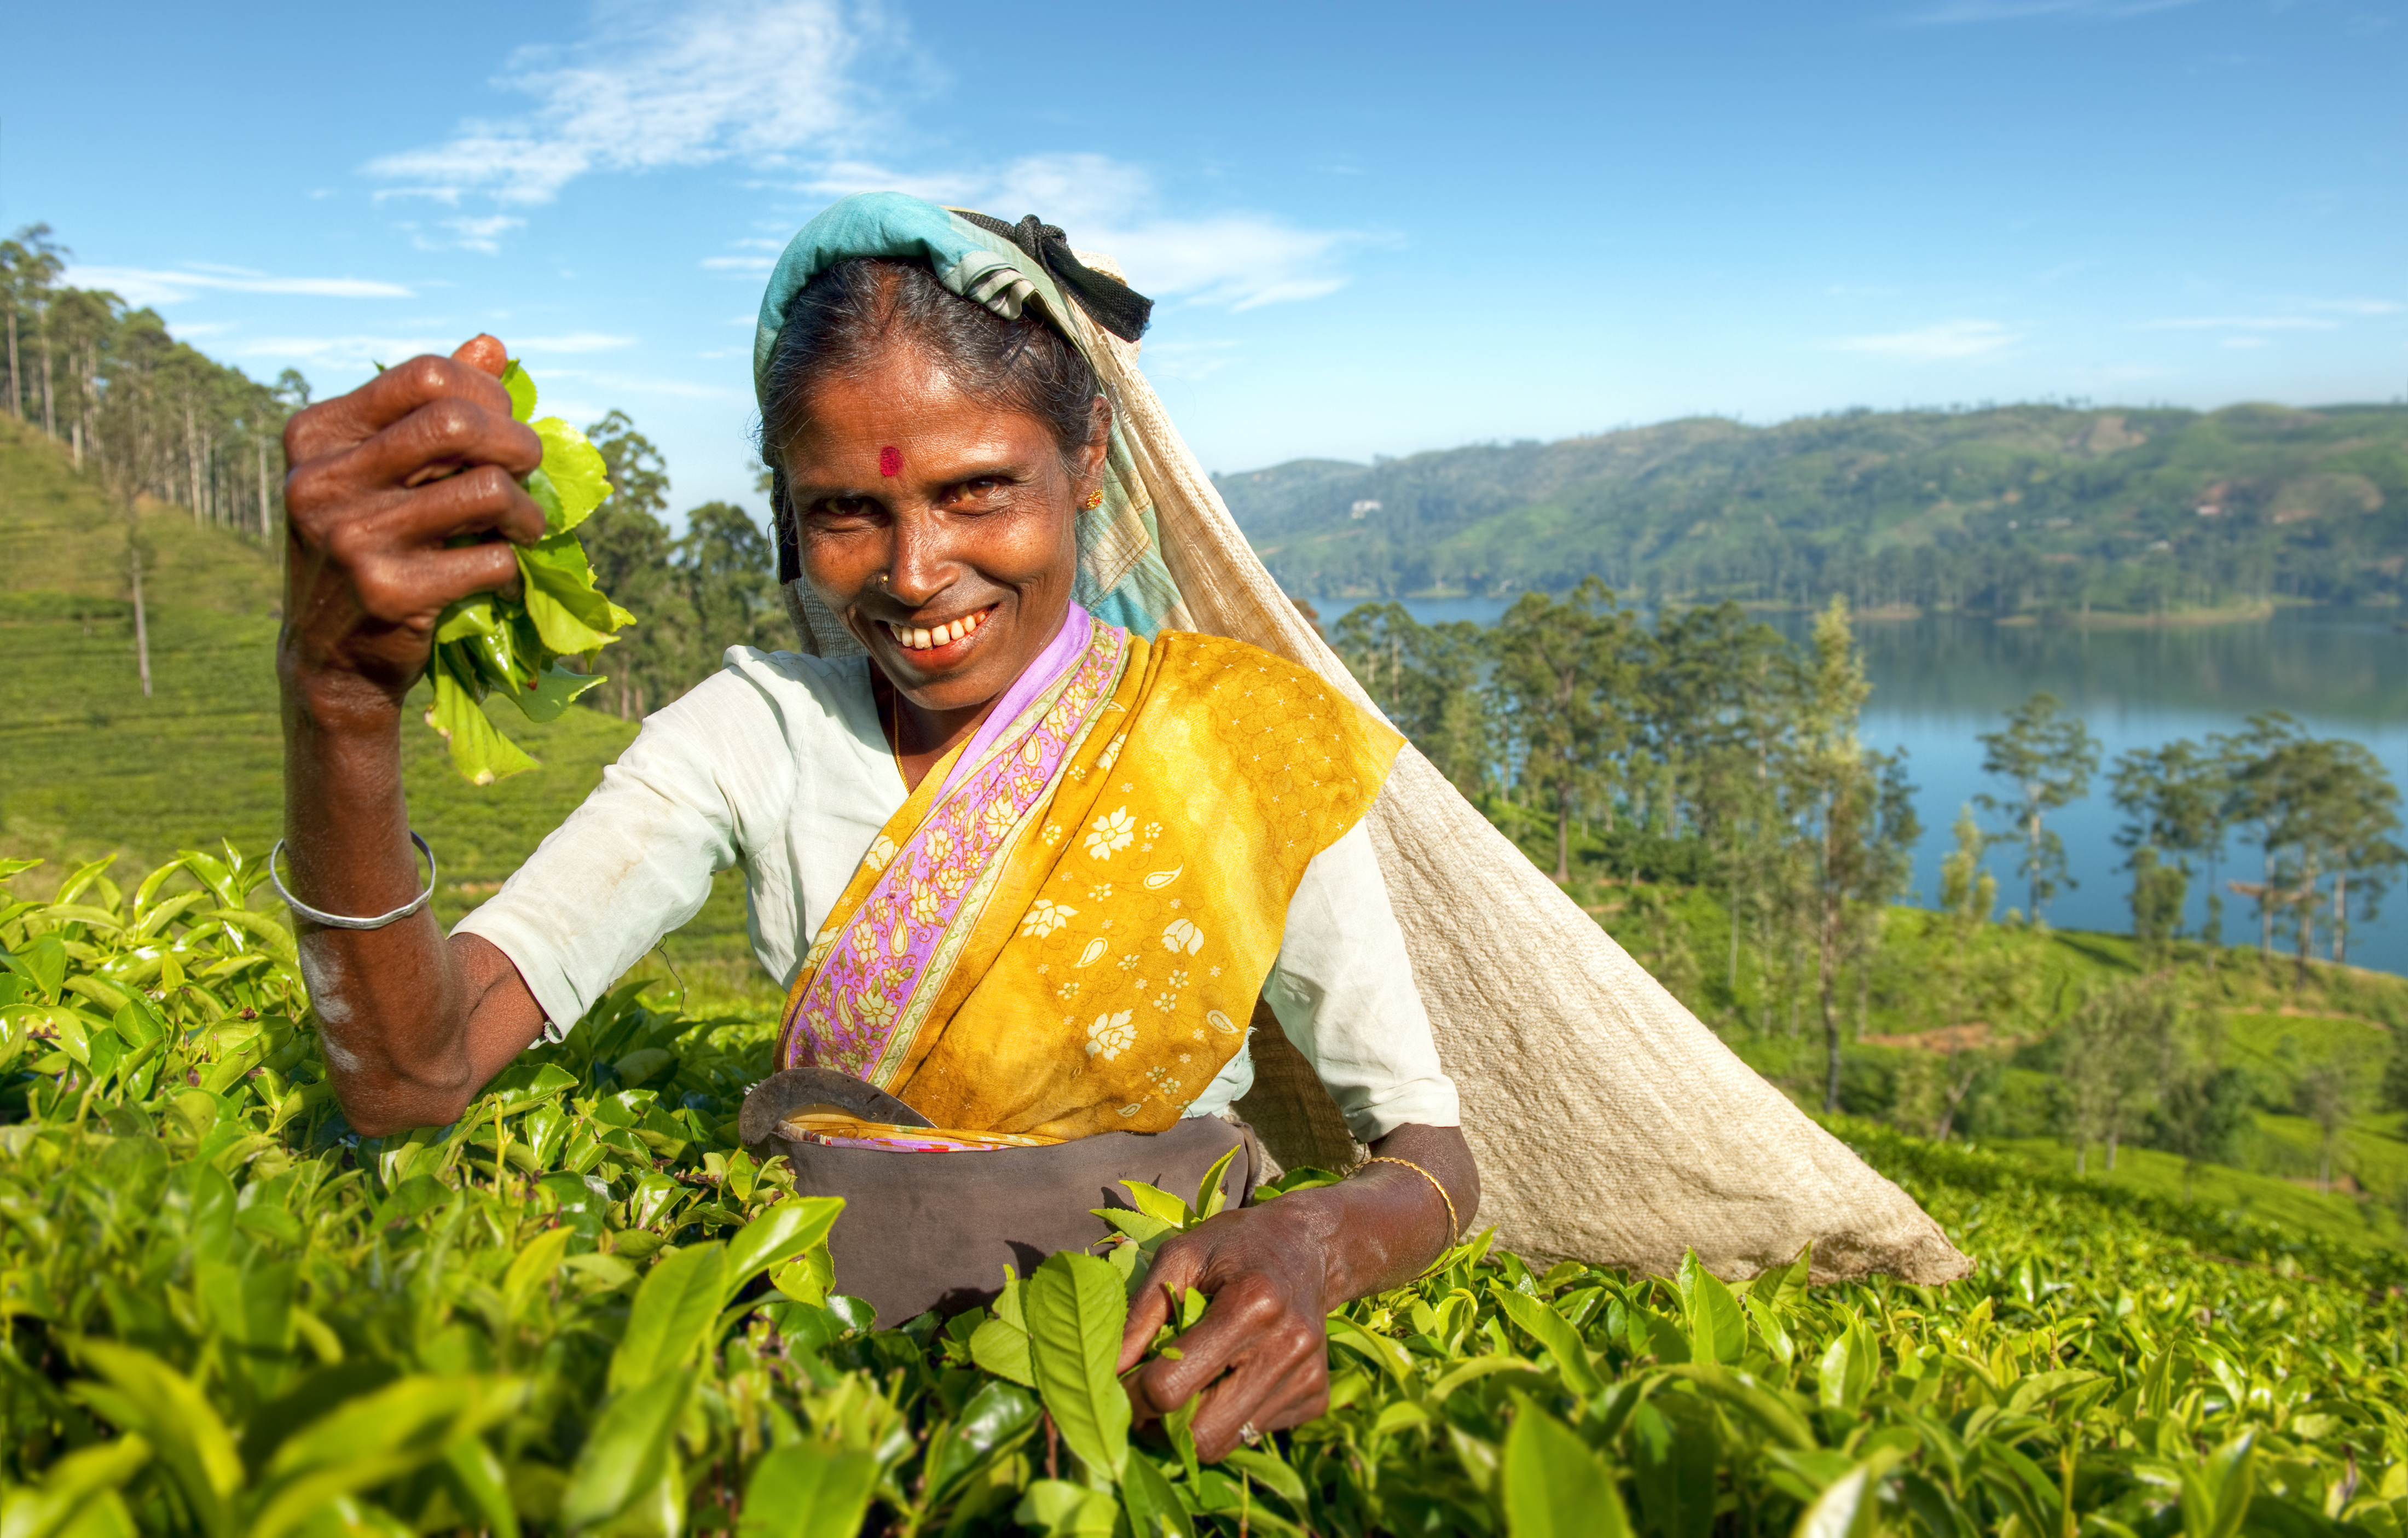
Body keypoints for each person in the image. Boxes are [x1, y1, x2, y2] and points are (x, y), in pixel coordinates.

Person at [276, 191, 1475, 1461]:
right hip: (827, 1411)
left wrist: (1312, 1244)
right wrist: (341, 705)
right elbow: (413, 1074)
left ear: (1086, 460)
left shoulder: (1243, 740)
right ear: (790, 507)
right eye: (850, 509)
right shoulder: (755, 733)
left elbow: (1430, 1153)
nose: (913, 572)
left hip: (1167, 1416)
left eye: (977, 491)